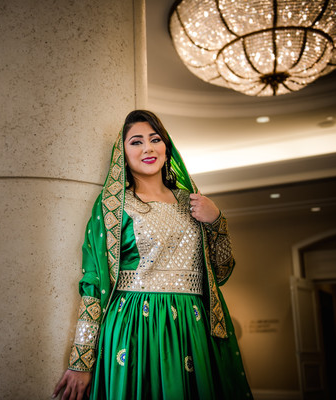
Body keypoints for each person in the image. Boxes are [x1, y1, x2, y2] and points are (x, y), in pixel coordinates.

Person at [52, 110, 252, 399]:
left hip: (191, 324)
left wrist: (217, 220)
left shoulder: (194, 202)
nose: (147, 148)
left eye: (155, 139)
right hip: (135, 326)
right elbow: (93, 283)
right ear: (122, 152)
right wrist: (81, 360)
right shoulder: (112, 207)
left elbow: (221, 271)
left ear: (166, 147)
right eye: (136, 142)